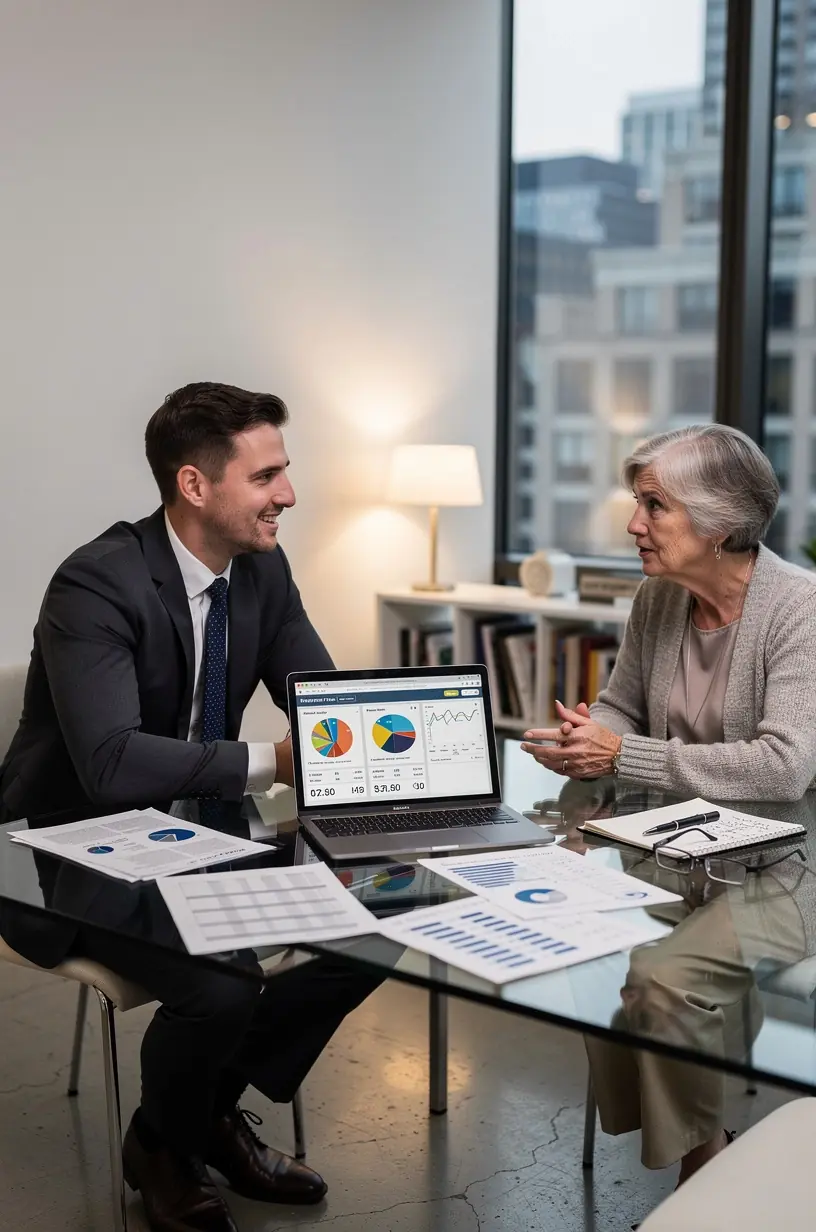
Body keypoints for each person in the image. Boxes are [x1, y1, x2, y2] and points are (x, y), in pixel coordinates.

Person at [0, 382, 381, 1232]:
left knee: (376, 921)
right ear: (194, 485)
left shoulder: (262, 570)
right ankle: (167, 1153)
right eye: (267, 476)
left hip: (196, 835)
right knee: (224, 979)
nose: (289, 494)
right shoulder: (95, 582)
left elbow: (322, 703)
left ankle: (190, 1116)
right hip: (63, 850)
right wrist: (272, 762)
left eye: (285, 471)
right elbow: (110, 765)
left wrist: (410, 758)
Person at [521, 423, 816, 802]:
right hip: (671, 823)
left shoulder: (801, 608)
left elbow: (784, 769)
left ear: (719, 524)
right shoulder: (657, 595)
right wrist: (586, 738)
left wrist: (619, 754)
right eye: (637, 501)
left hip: (782, 832)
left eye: (655, 506)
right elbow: (623, 709)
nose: (633, 525)